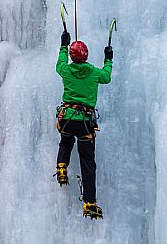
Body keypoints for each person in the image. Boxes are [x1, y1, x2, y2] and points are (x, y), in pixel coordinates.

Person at [55, 30, 113, 219]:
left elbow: (60, 64)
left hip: (67, 118)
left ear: (73, 57)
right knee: (87, 163)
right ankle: (89, 202)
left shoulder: (66, 70)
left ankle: (61, 166)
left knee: (65, 140)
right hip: (85, 123)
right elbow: (107, 77)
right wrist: (108, 58)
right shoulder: (95, 73)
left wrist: (64, 44)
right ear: (86, 55)